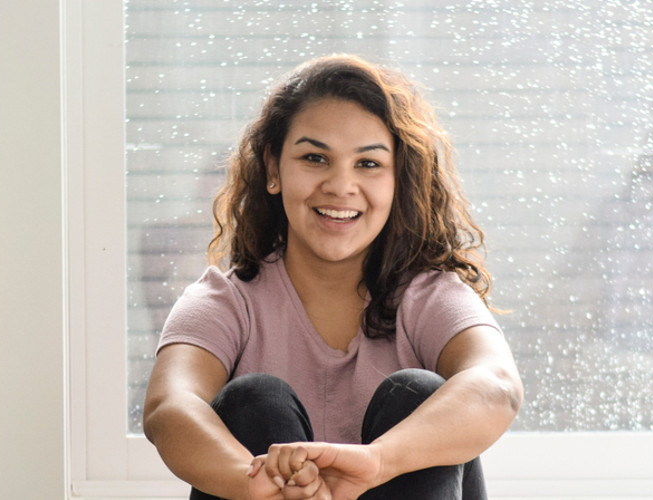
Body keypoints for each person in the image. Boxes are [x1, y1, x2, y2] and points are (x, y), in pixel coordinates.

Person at [142, 54, 524, 500]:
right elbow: (169, 406)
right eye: (315, 158)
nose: (341, 185)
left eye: (368, 164)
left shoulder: (430, 295)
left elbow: (497, 385)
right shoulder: (227, 300)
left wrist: (379, 461)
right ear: (272, 169)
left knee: (416, 393)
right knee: (252, 400)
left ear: (398, 177)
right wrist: (254, 480)